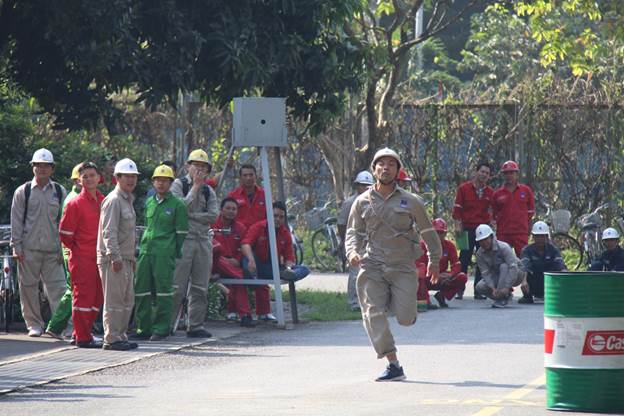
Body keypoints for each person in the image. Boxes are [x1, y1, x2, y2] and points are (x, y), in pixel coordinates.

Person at [345, 147, 441, 382]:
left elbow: (428, 232)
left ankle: (395, 302)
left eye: (391, 164)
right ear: (374, 169)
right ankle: (393, 363)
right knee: (372, 313)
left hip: (402, 266)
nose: (385, 167)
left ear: (398, 170)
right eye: (381, 164)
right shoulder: (362, 202)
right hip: (373, 265)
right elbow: (352, 232)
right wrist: (352, 252)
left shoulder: (411, 201)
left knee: (405, 318)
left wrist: (434, 260)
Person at [10, 148, 67, 337]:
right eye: (38, 165)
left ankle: (60, 326)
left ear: (52, 168)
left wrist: (63, 249)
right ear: (32, 167)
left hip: (53, 250)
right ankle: (34, 324)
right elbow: (16, 221)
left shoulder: (59, 191)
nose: (42, 169)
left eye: (46, 166)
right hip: (28, 249)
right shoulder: (23, 191)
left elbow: (64, 222)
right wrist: (16, 247)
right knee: (28, 289)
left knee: (58, 289)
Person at [134, 165, 188, 341]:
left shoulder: (178, 205)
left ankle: (161, 328)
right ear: (153, 182)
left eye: (165, 180)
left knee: (163, 291)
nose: (161, 183)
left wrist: (171, 251)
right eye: (158, 180)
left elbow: (181, 233)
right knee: (141, 290)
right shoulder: (149, 202)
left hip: (164, 254)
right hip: (145, 252)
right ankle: (144, 328)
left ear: (171, 183)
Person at [170, 149, 218, 338]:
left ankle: (195, 325)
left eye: (203, 167)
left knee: (200, 286)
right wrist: (195, 188)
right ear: (187, 166)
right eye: (196, 165)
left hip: (203, 240)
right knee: (176, 285)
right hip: (183, 240)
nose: (199, 170)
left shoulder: (209, 190)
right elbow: (178, 209)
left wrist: (192, 216)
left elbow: (213, 215)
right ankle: (166, 324)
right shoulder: (177, 185)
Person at [59, 162, 105, 348]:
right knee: (82, 297)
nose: (89, 179)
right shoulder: (74, 203)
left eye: (92, 175)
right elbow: (65, 235)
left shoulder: (104, 201)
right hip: (82, 258)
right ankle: (83, 339)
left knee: (97, 297)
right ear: (79, 180)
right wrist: (78, 251)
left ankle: (81, 333)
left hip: (100, 257)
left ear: (99, 178)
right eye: (84, 176)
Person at [241, 201, 310, 322]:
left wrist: (288, 268)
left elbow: (289, 258)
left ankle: (289, 275)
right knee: (248, 261)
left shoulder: (286, 233)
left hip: (272, 267)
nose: (278, 219)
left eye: (281, 217)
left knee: (304, 269)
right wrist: (251, 260)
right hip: (255, 263)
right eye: (275, 216)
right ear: (269, 215)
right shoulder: (258, 227)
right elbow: (246, 244)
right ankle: (253, 280)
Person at [97, 158, 141, 351]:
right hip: (114, 258)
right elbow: (109, 231)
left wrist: (130, 258)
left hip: (127, 258)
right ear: (117, 178)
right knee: (114, 300)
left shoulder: (128, 200)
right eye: (127, 176)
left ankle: (120, 335)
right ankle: (111, 338)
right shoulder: (113, 200)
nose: (131, 180)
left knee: (126, 300)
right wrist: (114, 256)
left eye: (134, 177)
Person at [45, 163, 83, 339]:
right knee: (74, 290)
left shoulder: (78, 197)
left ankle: (66, 328)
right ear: (76, 180)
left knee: (76, 290)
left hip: (75, 251)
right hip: (73, 252)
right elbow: (67, 232)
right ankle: (56, 326)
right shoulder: (72, 200)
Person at [452, 161, 493, 299]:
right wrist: (458, 227)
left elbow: (492, 212)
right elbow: (457, 210)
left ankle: (479, 290)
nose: (484, 175)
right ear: (476, 172)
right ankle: (459, 289)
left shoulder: (490, 192)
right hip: (466, 229)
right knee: (463, 258)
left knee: (482, 259)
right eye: (482, 172)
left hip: (483, 231)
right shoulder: (463, 189)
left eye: (487, 173)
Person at [212, 197, 255, 327]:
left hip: (232, 266)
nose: (231, 211)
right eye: (228, 208)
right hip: (213, 264)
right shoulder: (212, 225)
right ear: (221, 210)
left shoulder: (240, 228)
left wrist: (237, 260)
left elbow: (243, 248)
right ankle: (245, 279)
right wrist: (224, 260)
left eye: (234, 209)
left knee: (239, 281)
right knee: (239, 276)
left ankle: (245, 316)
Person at [337, 170, 374, 311]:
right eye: (363, 185)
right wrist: (345, 241)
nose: (366, 188)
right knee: (355, 273)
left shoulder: (373, 202)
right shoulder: (350, 203)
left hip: (370, 242)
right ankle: (353, 303)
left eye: (368, 185)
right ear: (357, 186)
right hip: (355, 243)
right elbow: (341, 224)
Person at [416, 218, 468, 309]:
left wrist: (450, 275)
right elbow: (419, 269)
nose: (439, 236)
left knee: (462, 277)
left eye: (441, 233)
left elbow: (456, 265)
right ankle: (425, 301)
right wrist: (434, 274)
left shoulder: (449, 246)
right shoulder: (422, 246)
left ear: (445, 234)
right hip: (426, 279)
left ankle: (441, 296)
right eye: (436, 232)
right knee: (419, 276)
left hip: (442, 278)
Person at [474, 224, 525, 308]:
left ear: (491, 237)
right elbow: (485, 273)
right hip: (498, 274)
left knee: (504, 266)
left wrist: (507, 287)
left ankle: (502, 296)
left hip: (516, 273)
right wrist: (492, 288)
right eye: (481, 241)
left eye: (486, 239)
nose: (484, 243)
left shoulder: (504, 247)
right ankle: (501, 296)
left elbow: (513, 268)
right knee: (480, 287)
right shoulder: (480, 254)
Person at [492, 160, 535, 256]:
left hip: (520, 232)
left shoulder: (526, 191)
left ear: (517, 174)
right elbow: (494, 213)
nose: (509, 175)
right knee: (502, 259)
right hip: (503, 233)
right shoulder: (497, 194)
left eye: (512, 172)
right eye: (506, 173)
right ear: (503, 175)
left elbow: (531, 211)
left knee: (523, 259)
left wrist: (522, 223)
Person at [518, 221, 566, 304]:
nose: (540, 239)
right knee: (523, 272)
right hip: (533, 284)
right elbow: (524, 266)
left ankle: (555, 295)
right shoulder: (527, 250)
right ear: (533, 236)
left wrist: (566, 279)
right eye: (537, 236)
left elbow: (560, 264)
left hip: (549, 284)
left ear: (547, 237)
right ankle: (527, 296)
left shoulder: (553, 250)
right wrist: (524, 281)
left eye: (542, 236)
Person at [227, 164, 266, 229]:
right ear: (240, 178)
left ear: (256, 176)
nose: (248, 178)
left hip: (260, 235)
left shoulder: (265, 195)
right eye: (245, 175)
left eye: (251, 175)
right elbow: (226, 217)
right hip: (239, 235)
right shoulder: (233, 196)